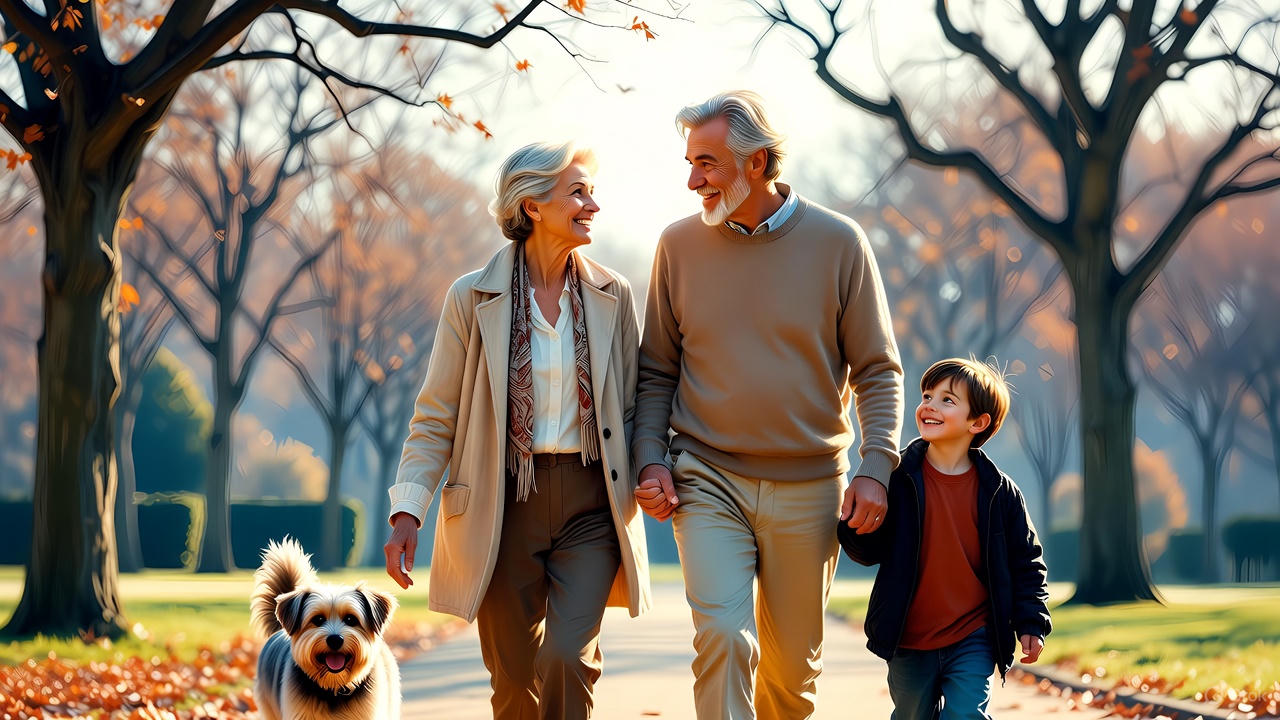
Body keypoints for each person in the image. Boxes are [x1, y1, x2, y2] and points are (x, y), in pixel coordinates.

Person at [631, 90, 905, 719]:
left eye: (708, 163)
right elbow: (656, 372)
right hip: (706, 477)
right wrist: (650, 458)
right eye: (690, 163)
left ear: (756, 163)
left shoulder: (839, 243)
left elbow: (877, 369)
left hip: (811, 486)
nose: (693, 180)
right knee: (724, 638)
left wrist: (876, 467)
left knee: (791, 679)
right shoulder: (677, 246)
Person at [383, 141, 651, 720]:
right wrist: (407, 512)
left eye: (592, 192)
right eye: (577, 193)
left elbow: (636, 407)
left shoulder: (614, 296)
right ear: (532, 206)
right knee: (512, 680)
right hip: (500, 507)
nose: (593, 206)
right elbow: (436, 416)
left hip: (591, 506)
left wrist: (653, 468)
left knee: (567, 658)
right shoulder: (470, 297)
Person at [838, 357, 1051, 720]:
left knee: (966, 714)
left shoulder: (1000, 493)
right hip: (910, 636)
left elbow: (1027, 561)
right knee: (912, 715)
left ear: (977, 423)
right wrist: (853, 524)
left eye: (947, 400)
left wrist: (1032, 622)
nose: (929, 406)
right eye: (927, 396)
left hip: (974, 635)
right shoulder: (897, 477)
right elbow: (869, 551)